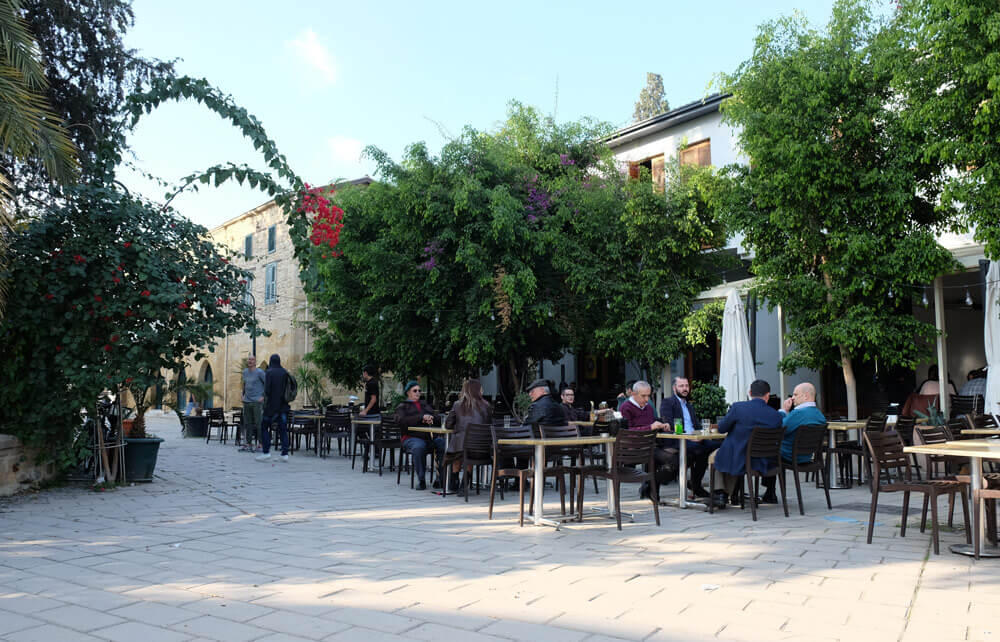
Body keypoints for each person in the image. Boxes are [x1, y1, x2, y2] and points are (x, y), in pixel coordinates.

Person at [711, 379, 782, 507]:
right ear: (767, 395)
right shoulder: (776, 415)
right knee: (730, 452)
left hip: (739, 458)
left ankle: (720, 493)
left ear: (750, 392)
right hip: (764, 461)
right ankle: (727, 494)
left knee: (716, 456)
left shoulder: (738, 407)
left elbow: (721, 428)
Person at [659, 377, 721, 499]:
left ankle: (699, 485)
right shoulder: (668, 402)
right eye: (681, 386)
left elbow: (697, 426)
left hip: (694, 438)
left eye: (686, 386)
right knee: (701, 450)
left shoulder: (689, 405)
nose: (685, 389)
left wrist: (702, 435)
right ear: (674, 388)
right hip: (677, 439)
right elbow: (669, 424)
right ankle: (696, 486)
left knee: (718, 445)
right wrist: (689, 437)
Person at [619, 380, 677, 498]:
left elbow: (651, 425)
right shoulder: (625, 407)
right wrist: (650, 427)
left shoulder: (648, 407)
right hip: (633, 448)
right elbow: (627, 432)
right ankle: (651, 488)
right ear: (633, 394)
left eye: (648, 395)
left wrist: (661, 425)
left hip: (650, 445)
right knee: (671, 460)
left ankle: (649, 485)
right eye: (643, 396)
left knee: (678, 458)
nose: (646, 399)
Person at [395, 381, 444, 490]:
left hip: (428, 438)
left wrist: (431, 418)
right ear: (408, 392)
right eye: (415, 390)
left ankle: (440, 478)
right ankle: (421, 479)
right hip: (410, 438)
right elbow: (401, 422)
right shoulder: (402, 406)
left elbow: (438, 419)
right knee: (419, 446)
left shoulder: (424, 404)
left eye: (419, 391)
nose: (418, 393)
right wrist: (421, 418)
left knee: (442, 444)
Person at [444, 378, 491, 492]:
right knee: (467, 450)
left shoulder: (457, 405)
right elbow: (490, 425)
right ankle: (465, 480)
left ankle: (454, 480)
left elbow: (448, 425)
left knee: (459, 449)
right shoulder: (486, 405)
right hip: (482, 449)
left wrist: (458, 427)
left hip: (461, 449)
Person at [779, 382, 827, 464]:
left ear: (806, 396)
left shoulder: (798, 413)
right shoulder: (820, 415)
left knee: (766, 449)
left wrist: (784, 410)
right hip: (806, 456)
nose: (792, 398)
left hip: (788, 455)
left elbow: (779, 429)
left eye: (795, 394)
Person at [256, 354, 291, 463]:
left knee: (264, 426)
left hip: (271, 407)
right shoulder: (285, 372)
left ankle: (266, 452)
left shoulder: (269, 372)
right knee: (283, 430)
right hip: (283, 407)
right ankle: (285, 454)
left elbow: (267, 390)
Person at [241, 354, 265, 451]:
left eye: (252, 359)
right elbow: (244, 384)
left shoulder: (260, 372)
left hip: (257, 402)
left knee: (259, 423)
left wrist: (263, 396)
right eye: (249, 359)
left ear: (255, 362)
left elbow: (268, 384)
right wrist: (242, 395)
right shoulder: (245, 372)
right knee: (247, 423)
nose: (250, 361)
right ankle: (248, 443)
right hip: (246, 401)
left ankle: (261, 444)